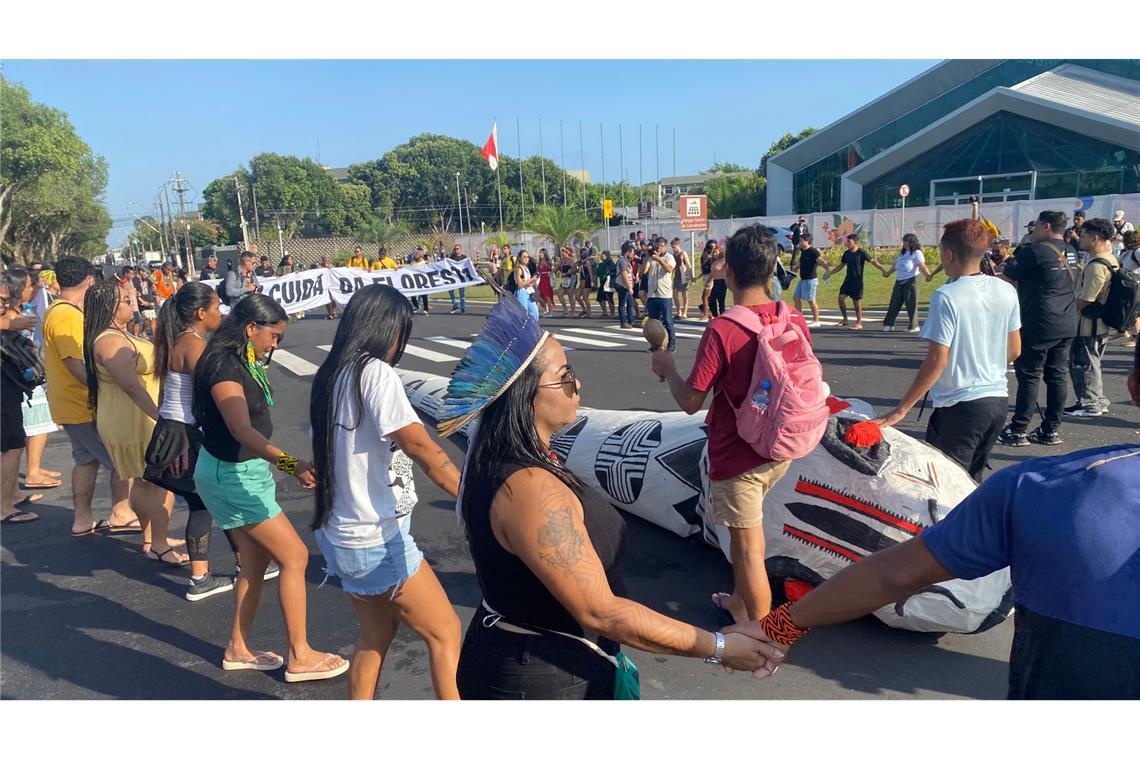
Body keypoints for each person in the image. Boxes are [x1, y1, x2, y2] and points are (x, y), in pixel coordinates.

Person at [729, 340, 1140, 698]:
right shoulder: (1037, 488)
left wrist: (778, 628)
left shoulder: (1042, 487)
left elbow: (895, 575)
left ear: (1134, 387)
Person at [442, 296, 784, 700]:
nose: (578, 384)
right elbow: (600, 610)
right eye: (566, 376)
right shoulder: (529, 488)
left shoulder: (500, 460)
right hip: (544, 678)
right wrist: (721, 647)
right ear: (523, 396)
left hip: (531, 658)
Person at [649, 224, 811, 626]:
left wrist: (668, 369)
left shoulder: (723, 330)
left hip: (738, 456)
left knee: (747, 549)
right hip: (781, 446)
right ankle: (741, 602)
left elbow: (690, 402)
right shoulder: (790, 316)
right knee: (747, 540)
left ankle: (761, 633)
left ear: (729, 271)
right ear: (773, 268)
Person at [310, 285, 462, 699]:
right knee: (446, 632)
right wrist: (469, 497)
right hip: (377, 538)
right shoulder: (374, 372)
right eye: (401, 332)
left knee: (375, 636)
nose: (401, 343)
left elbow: (323, 455)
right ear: (386, 329)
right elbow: (420, 446)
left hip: (339, 536)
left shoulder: (330, 375)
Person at [191, 294, 348, 681]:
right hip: (232, 476)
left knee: (258, 561)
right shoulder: (224, 366)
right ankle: (301, 655)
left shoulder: (235, 358)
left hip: (239, 471)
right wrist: (292, 464)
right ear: (250, 328)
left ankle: (237, 648)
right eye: (273, 336)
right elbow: (240, 429)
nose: (275, 344)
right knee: (294, 557)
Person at [874, 220, 1020, 481]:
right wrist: (984, 361)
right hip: (997, 400)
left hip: (961, 404)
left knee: (945, 484)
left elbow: (936, 360)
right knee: (971, 483)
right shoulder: (1005, 289)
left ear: (949, 254)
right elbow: (1014, 350)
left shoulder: (947, 296)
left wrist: (902, 409)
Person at [145, 282, 246, 599]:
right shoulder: (194, 346)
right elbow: (211, 394)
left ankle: (244, 563)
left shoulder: (176, 341)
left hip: (172, 432)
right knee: (209, 501)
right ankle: (203, 577)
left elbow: (166, 396)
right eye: (216, 307)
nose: (220, 313)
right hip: (187, 437)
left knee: (208, 501)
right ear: (202, 313)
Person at [82, 281, 184, 564]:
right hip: (136, 420)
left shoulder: (117, 335)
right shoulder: (110, 341)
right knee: (159, 481)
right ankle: (160, 544)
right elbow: (132, 387)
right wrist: (162, 417)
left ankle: (152, 539)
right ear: (111, 308)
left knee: (144, 481)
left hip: (137, 417)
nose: (133, 302)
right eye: (126, 300)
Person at [41, 257, 138, 537]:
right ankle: (121, 512)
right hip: (82, 404)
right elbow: (74, 363)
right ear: (88, 280)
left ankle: (83, 519)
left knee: (86, 460)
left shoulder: (57, 310)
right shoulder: (68, 315)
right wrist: (104, 389)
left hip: (71, 403)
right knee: (121, 458)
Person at [996, 210, 1077, 448]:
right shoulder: (1071, 251)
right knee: (1057, 375)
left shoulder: (1035, 251)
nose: (1033, 231)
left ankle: (1018, 428)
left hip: (1039, 319)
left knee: (1030, 375)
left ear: (1047, 227)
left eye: (1037, 226)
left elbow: (1009, 274)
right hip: (1066, 319)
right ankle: (1050, 428)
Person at [1064, 218, 1117, 417]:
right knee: (1093, 362)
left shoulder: (1097, 265)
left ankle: (1089, 402)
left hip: (1088, 324)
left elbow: (1087, 298)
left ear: (1095, 238)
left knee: (1083, 363)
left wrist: (1068, 313)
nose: (1080, 239)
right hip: (1101, 322)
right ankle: (1096, 400)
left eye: (1084, 235)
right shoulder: (1110, 259)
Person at [2, 269, 41, 523]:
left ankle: (12, 494)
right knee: (11, 446)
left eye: (5, 300)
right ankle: (4, 506)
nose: (4, 305)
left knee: (14, 443)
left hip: (9, 386)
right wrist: (12, 323)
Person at [831, 234, 887, 329]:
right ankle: (845, 319)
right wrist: (830, 273)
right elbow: (841, 266)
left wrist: (883, 270)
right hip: (848, 280)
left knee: (856, 302)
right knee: (840, 298)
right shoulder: (846, 253)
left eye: (849, 242)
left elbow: (873, 261)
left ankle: (859, 322)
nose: (847, 243)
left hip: (857, 281)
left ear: (855, 242)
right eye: (847, 242)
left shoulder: (862, 252)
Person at [881, 233, 931, 332]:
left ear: (912, 242)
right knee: (894, 303)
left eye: (906, 241)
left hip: (911, 280)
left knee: (911, 303)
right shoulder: (902, 254)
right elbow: (895, 266)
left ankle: (914, 326)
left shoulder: (917, 253)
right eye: (904, 241)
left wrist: (928, 275)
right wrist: (887, 273)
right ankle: (889, 324)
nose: (904, 243)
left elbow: (922, 266)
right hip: (899, 280)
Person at [641, 238, 677, 351]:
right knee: (654, 322)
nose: (659, 248)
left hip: (664, 295)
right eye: (657, 246)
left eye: (661, 246)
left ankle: (671, 345)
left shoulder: (669, 257)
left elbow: (669, 269)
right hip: (652, 295)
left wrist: (659, 259)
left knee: (667, 321)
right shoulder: (651, 258)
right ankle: (655, 345)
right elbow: (644, 271)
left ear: (665, 247)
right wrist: (648, 256)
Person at [790, 233, 827, 328]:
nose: (800, 242)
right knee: (796, 297)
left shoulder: (813, 251)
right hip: (802, 280)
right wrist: (791, 274)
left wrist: (827, 271)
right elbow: (799, 265)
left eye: (801, 240)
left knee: (811, 300)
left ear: (807, 241)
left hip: (811, 280)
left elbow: (822, 261)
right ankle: (800, 318)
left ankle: (816, 320)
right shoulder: (803, 252)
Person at [1118, 230, 1140, 348]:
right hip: (1128, 287)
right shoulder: (1126, 254)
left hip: (1136, 286)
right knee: (1131, 312)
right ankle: (1130, 334)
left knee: (1135, 313)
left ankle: (1135, 338)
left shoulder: (1137, 252)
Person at [513, 250, 541, 321]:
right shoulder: (518, 269)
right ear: (519, 258)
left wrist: (533, 280)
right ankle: (522, 330)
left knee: (535, 312)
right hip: (521, 292)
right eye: (524, 257)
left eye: (527, 257)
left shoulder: (526, 268)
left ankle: (532, 328)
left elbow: (527, 282)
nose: (526, 258)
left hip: (528, 292)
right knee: (523, 314)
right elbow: (520, 285)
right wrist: (531, 280)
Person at [614, 242, 636, 329]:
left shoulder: (626, 261)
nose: (633, 254)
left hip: (625, 285)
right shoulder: (622, 261)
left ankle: (631, 321)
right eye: (632, 252)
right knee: (622, 304)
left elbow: (628, 272)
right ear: (627, 252)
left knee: (630, 303)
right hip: (622, 285)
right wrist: (629, 287)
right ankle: (623, 322)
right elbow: (623, 274)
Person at [115, 266, 141, 336]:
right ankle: (129, 335)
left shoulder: (131, 281)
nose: (133, 276)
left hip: (134, 305)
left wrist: (137, 292)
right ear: (126, 274)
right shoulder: (123, 282)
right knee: (130, 321)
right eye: (131, 274)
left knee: (137, 321)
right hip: (129, 306)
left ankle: (135, 335)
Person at [671, 238, 692, 320]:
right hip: (677, 275)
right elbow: (673, 266)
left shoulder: (683, 253)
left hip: (684, 275)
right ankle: (678, 311)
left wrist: (691, 276)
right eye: (672, 247)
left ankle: (685, 312)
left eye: (674, 247)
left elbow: (688, 265)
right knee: (674, 293)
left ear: (678, 245)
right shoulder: (673, 255)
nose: (673, 249)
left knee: (684, 294)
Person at [134, 268, 157, 338]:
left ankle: (154, 335)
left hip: (149, 301)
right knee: (147, 318)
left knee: (153, 319)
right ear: (140, 272)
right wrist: (142, 301)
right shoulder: (135, 280)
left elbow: (153, 286)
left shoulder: (147, 279)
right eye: (145, 273)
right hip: (142, 302)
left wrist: (155, 293)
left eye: (147, 273)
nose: (146, 274)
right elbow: (135, 292)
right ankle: (143, 332)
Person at [708, 243, 728, 318]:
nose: (714, 254)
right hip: (715, 282)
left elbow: (728, 269)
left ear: (720, 252)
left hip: (722, 282)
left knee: (721, 301)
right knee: (712, 299)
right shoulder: (714, 262)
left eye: (716, 252)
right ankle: (715, 315)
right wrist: (708, 282)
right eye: (713, 252)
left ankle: (722, 317)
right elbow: (712, 273)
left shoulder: (723, 261)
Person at [447, 245, 468, 314]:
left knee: (461, 294)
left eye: (457, 249)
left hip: (461, 278)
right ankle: (455, 304)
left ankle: (462, 308)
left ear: (460, 249)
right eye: (455, 249)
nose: (456, 250)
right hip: (453, 277)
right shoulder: (451, 257)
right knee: (450, 291)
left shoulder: (464, 257)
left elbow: (468, 266)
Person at [699, 240, 716, 321]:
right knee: (707, 297)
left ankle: (705, 315)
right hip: (705, 277)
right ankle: (710, 313)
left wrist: (710, 281)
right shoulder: (703, 258)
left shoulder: (712, 258)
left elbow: (713, 271)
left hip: (710, 278)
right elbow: (703, 271)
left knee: (704, 297)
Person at [594, 250, 615, 319]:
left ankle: (612, 313)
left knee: (609, 298)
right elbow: (597, 273)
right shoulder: (600, 264)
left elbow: (612, 272)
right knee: (600, 298)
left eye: (602, 255)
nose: (600, 256)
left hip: (608, 282)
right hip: (602, 282)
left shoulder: (610, 263)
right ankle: (605, 312)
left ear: (606, 255)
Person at [557, 247, 576, 316]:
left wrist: (568, 273)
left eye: (564, 252)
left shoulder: (571, 260)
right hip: (564, 279)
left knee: (570, 295)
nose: (562, 254)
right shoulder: (562, 261)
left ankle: (573, 311)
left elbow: (574, 270)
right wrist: (558, 272)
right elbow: (558, 268)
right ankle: (566, 310)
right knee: (559, 293)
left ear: (567, 253)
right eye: (562, 252)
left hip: (571, 278)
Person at [575, 248, 594, 318]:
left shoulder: (588, 262)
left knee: (585, 297)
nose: (580, 254)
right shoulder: (582, 262)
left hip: (587, 281)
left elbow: (590, 273)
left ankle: (589, 313)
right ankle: (584, 309)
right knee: (577, 295)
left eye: (581, 253)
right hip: (581, 282)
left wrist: (592, 281)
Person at [536, 250, 555, 316]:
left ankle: (550, 312)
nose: (540, 254)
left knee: (547, 296)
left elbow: (553, 269)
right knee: (537, 295)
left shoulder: (548, 262)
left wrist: (551, 272)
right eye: (539, 253)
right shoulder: (539, 262)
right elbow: (537, 272)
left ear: (544, 254)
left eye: (541, 253)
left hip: (547, 280)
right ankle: (546, 308)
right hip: (541, 279)